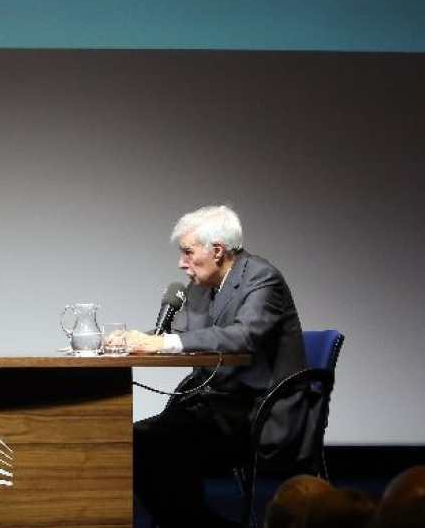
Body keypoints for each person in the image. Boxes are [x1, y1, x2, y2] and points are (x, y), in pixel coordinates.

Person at [123, 205, 306, 528]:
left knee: (166, 445)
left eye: (187, 253)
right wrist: (135, 339)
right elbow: (180, 336)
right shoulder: (199, 287)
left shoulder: (262, 278)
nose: (181, 264)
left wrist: (162, 343)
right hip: (212, 402)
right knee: (135, 440)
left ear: (217, 251)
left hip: (256, 408)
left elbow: (245, 335)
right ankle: (192, 521)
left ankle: (191, 522)